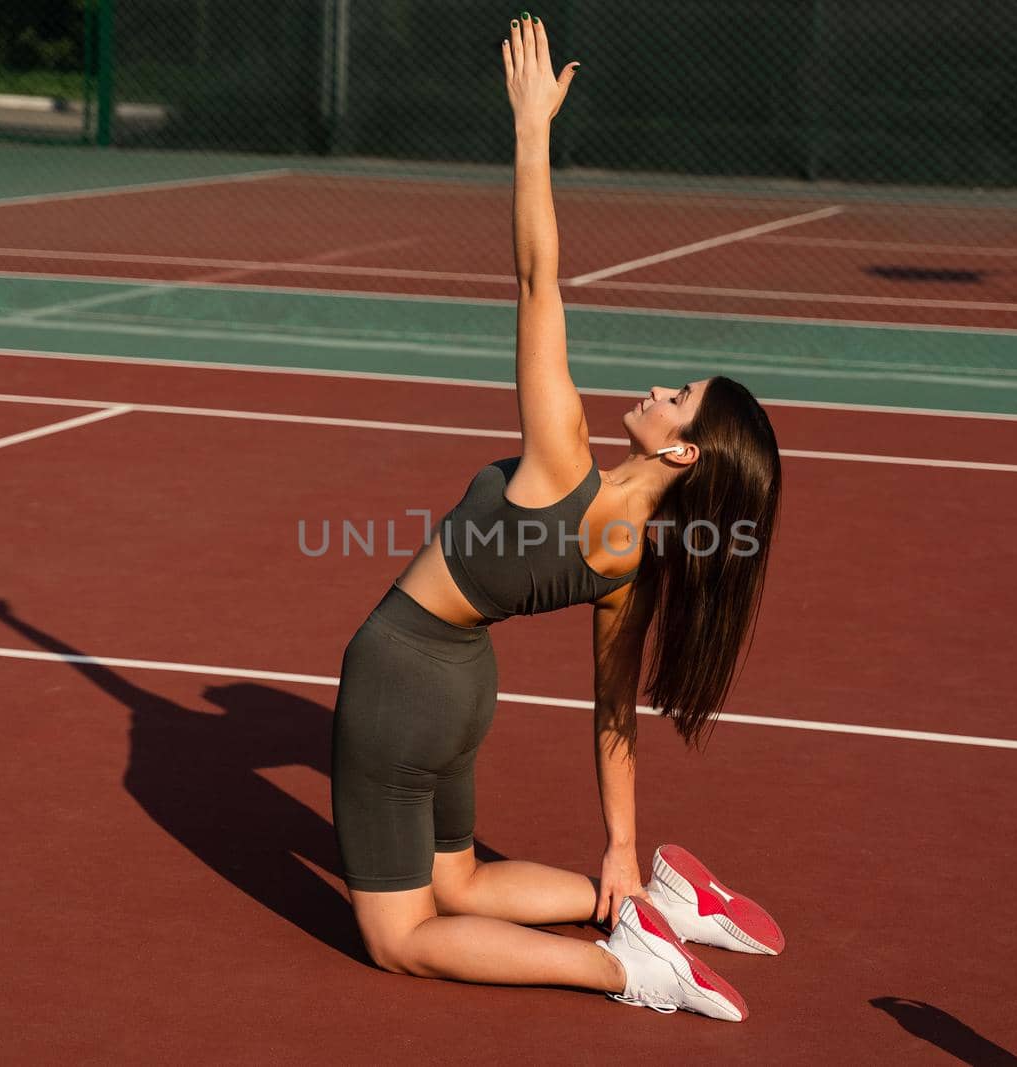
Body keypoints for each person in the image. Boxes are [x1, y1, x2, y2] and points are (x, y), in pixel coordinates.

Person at [329, 13, 784, 1021]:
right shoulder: (630, 561)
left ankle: (634, 971)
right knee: (457, 884)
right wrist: (620, 850)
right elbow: (613, 713)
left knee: (401, 937)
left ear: (680, 453)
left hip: (402, 676)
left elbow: (538, 276)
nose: (658, 387)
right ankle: (655, 904)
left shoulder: (563, 459)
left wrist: (531, 128)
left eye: (677, 397)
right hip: (458, 694)